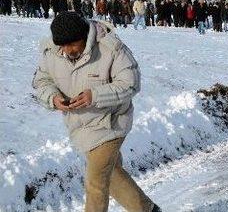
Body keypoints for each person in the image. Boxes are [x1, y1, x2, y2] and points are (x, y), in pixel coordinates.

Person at [32, 12, 160, 212]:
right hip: (81, 127)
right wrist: (53, 98)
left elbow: (130, 83)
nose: (67, 50)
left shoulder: (111, 48)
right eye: (63, 46)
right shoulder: (52, 51)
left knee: (95, 182)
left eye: (73, 44)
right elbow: (41, 81)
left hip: (111, 122)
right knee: (113, 175)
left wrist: (95, 95)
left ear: (84, 36)